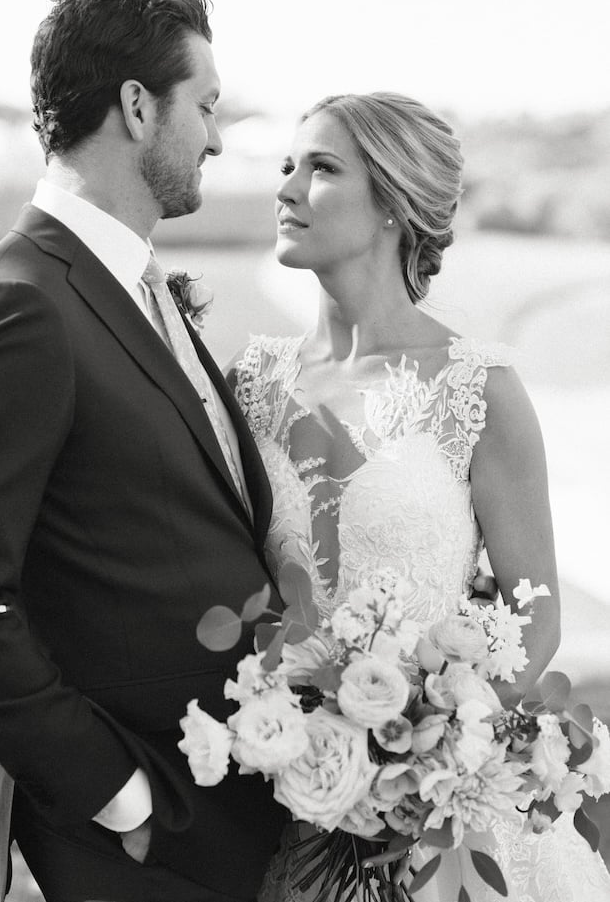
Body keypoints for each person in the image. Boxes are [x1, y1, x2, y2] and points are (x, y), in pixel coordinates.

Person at [0, 0, 286, 902]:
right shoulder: (23, 302)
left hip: (232, 820)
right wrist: (122, 799)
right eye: (206, 107)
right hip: (138, 845)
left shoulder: (140, 287)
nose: (217, 137)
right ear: (138, 107)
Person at [227, 92, 610, 900]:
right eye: (287, 165)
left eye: (321, 167)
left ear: (395, 205)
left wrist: (417, 761)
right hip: (284, 804)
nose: (287, 187)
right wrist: (308, 754)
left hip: (440, 825)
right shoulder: (250, 382)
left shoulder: (479, 387)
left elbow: (535, 614)